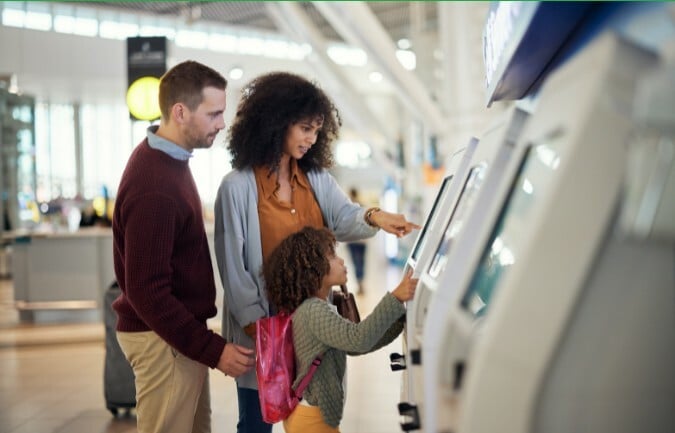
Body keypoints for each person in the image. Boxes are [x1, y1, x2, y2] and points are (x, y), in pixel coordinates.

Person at [213, 71, 420, 433]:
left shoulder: (317, 180)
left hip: (311, 325)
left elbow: (343, 217)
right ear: (277, 122)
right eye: (305, 127)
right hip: (262, 330)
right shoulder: (237, 187)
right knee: (257, 423)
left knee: (307, 418)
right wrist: (266, 333)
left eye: (317, 130)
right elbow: (234, 272)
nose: (311, 138)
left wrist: (376, 216)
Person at [112, 60, 255, 433]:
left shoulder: (169, 160)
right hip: (162, 342)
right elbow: (148, 291)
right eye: (214, 114)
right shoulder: (155, 184)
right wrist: (213, 350)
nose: (221, 124)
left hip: (174, 339)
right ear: (180, 112)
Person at [263, 226, 418, 432]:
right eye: (332, 256)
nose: (341, 261)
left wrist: (399, 321)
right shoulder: (313, 310)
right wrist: (395, 298)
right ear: (313, 269)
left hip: (311, 416)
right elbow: (358, 338)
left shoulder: (316, 306)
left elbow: (354, 346)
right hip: (312, 421)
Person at [346, 188, 367, 294]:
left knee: (356, 262)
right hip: (360, 241)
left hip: (353, 241)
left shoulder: (348, 208)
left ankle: (360, 284)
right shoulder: (361, 207)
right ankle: (360, 283)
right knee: (360, 262)